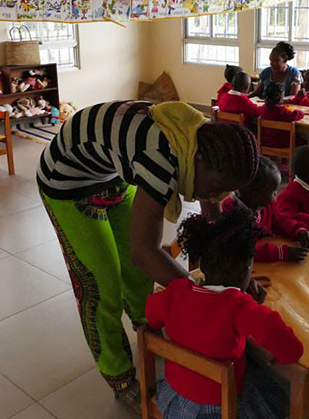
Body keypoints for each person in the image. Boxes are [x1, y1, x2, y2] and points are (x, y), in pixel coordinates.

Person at [37, 100, 261, 413]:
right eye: (216, 188)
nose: (214, 196)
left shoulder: (203, 143)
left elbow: (214, 213)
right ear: (198, 161)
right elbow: (144, 252)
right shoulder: (161, 160)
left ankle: (149, 333)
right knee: (100, 285)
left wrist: (234, 276)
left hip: (114, 175)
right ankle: (120, 377)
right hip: (68, 182)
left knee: (138, 276)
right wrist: (205, 296)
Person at [147, 208, 304, 418]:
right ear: (245, 273)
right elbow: (292, 351)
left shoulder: (176, 291)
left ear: (202, 264)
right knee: (277, 395)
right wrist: (255, 307)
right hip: (221, 408)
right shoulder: (240, 307)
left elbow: (151, 316)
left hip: (175, 399)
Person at [222, 156, 309, 262]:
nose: (275, 194)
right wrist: (279, 252)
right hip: (244, 264)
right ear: (255, 194)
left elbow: (280, 221)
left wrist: (298, 230)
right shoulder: (230, 211)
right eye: (272, 191)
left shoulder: (266, 204)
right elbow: (242, 250)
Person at [258, 81, 304, 149]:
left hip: (266, 141)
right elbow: (297, 115)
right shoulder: (282, 111)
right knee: (303, 140)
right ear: (281, 97)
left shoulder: (264, 108)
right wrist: (300, 111)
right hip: (280, 143)